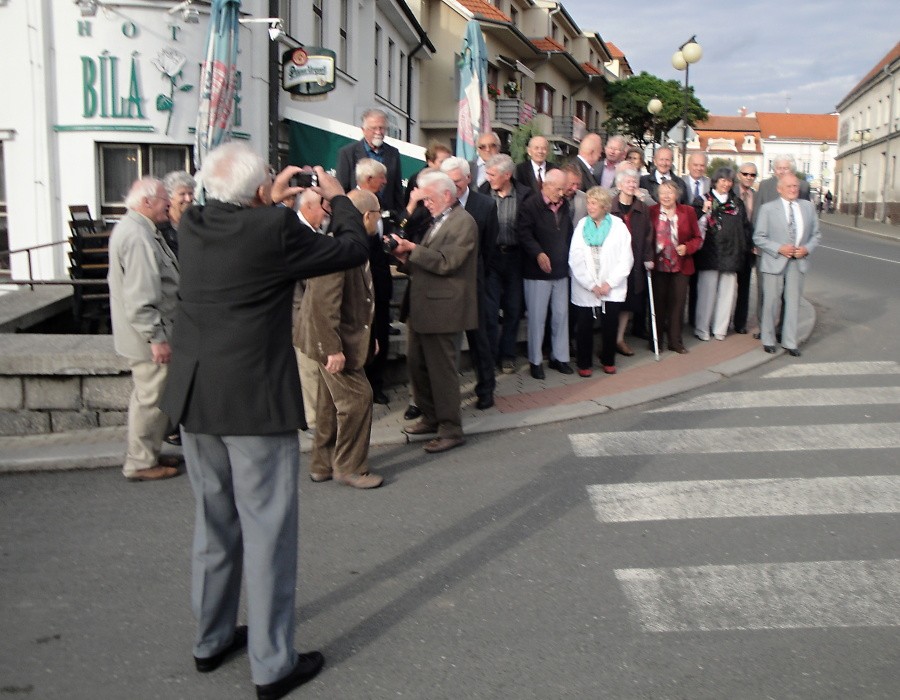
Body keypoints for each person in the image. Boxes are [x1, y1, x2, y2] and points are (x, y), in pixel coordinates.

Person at [160, 142, 370, 698]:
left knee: (215, 525)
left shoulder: (193, 222)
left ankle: (210, 640)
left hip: (197, 396)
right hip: (252, 400)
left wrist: (265, 197)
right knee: (267, 533)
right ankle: (272, 665)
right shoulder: (274, 229)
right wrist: (338, 198)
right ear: (259, 192)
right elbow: (352, 248)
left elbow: (233, 214)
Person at [300, 188, 383, 489]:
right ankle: (350, 467)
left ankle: (322, 464)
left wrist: (370, 335)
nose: (379, 220)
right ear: (366, 216)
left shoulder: (348, 244)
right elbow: (323, 304)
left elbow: (360, 298)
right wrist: (331, 349)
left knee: (328, 404)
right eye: (377, 215)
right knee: (358, 398)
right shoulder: (340, 248)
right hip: (330, 341)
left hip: (335, 338)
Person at [390, 170, 477, 453]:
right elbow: (427, 262)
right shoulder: (440, 219)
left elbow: (447, 262)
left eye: (429, 199)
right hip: (424, 307)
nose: (425, 204)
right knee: (418, 367)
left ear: (446, 195)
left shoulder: (463, 222)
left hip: (444, 310)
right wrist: (404, 258)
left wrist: (413, 249)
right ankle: (430, 417)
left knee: (441, 372)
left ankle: (451, 429)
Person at [108, 177, 181, 482]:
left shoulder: (138, 229)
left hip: (149, 333)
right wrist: (156, 338)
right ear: (147, 202)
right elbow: (141, 298)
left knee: (153, 396)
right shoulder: (138, 236)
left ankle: (148, 453)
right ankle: (140, 462)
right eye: (165, 198)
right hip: (149, 336)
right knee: (150, 398)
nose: (169, 203)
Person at [440, 157, 499, 410]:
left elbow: (489, 247)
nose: (453, 187)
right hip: (445, 284)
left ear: (468, 178)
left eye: (457, 181)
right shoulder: (439, 202)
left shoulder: (485, 205)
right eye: (448, 182)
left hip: (476, 283)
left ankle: (486, 389)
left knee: (480, 341)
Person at [753, 174, 820, 357]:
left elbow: (816, 235)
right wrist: (779, 248)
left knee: (793, 302)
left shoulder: (807, 207)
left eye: (795, 186)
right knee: (771, 302)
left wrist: (806, 249)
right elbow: (759, 237)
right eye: (789, 186)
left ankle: (790, 341)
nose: (793, 189)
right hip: (774, 261)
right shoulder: (768, 209)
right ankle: (768, 339)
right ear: (779, 189)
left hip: (797, 262)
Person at [569, 187, 633, 377]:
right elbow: (575, 257)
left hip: (610, 287)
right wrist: (591, 284)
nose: (590, 207)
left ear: (605, 206)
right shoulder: (582, 225)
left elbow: (626, 258)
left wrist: (609, 283)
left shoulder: (618, 227)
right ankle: (584, 363)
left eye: (594, 203)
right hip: (586, 287)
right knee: (584, 325)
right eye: (588, 203)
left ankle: (608, 360)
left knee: (610, 324)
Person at [517, 168, 574, 378]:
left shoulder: (565, 205)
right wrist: (538, 253)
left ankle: (560, 357)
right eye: (558, 189)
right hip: (537, 273)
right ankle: (535, 360)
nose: (561, 193)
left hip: (560, 270)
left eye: (563, 189)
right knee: (537, 318)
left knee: (561, 315)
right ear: (546, 186)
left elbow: (568, 233)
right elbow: (523, 233)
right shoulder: (530, 205)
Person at [479, 153, 533, 374]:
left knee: (513, 309)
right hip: (491, 258)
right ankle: (490, 356)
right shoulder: (482, 192)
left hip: (515, 258)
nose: (488, 177)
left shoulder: (525, 195)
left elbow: (529, 228)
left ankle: (508, 355)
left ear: (507, 175)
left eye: (492, 174)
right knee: (490, 311)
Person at [693, 167, 752, 342]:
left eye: (729, 181)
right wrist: (703, 211)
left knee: (727, 294)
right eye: (723, 180)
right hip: (709, 253)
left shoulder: (737, 203)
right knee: (706, 293)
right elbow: (694, 224)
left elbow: (744, 228)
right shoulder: (703, 200)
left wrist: (743, 248)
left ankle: (720, 329)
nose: (726, 184)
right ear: (715, 181)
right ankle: (702, 328)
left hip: (731, 254)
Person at [354, 158, 394, 405]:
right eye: (382, 178)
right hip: (360, 283)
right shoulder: (350, 203)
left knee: (382, 332)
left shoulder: (382, 202)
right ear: (368, 179)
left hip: (380, 282)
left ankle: (377, 385)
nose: (386, 182)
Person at [648, 179, 703, 353]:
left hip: (681, 265)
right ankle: (656, 341)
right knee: (658, 304)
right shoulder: (651, 211)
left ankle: (675, 341)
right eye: (662, 193)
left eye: (670, 192)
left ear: (677, 195)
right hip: (658, 265)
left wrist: (687, 247)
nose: (666, 196)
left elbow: (697, 237)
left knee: (677, 305)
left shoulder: (688, 211)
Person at [291, 190, 330, 431]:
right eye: (321, 207)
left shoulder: (311, 232)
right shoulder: (300, 234)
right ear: (307, 207)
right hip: (302, 313)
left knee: (314, 370)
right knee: (309, 370)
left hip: (310, 312)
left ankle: (317, 417)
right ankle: (314, 422)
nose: (325, 212)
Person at [609, 168, 653, 354]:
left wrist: (648, 257)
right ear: (619, 185)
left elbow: (649, 236)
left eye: (634, 182)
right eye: (628, 181)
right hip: (613, 264)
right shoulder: (609, 207)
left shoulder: (643, 209)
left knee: (628, 303)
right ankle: (609, 340)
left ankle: (619, 339)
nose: (632, 185)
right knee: (612, 302)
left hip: (634, 263)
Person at [336, 108, 404, 210]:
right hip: (358, 212)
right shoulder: (348, 153)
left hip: (385, 214)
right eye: (374, 128)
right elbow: (342, 188)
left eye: (382, 128)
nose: (378, 132)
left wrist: (399, 215)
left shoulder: (393, 153)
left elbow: (397, 190)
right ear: (363, 130)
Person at [731, 162, 758, 334]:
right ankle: (721, 321)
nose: (749, 177)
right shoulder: (730, 192)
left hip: (749, 248)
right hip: (731, 247)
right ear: (739, 175)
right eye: (745, 174)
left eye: (752, 175)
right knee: (726, 287)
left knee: (744, 287)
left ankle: (740, 323)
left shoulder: (757, 196)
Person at [158, 170, 195, 258]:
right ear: (169, 197)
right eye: (182, 194)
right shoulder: (160, 229)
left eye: (190, 193)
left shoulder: (198, 223)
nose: (188, 199)